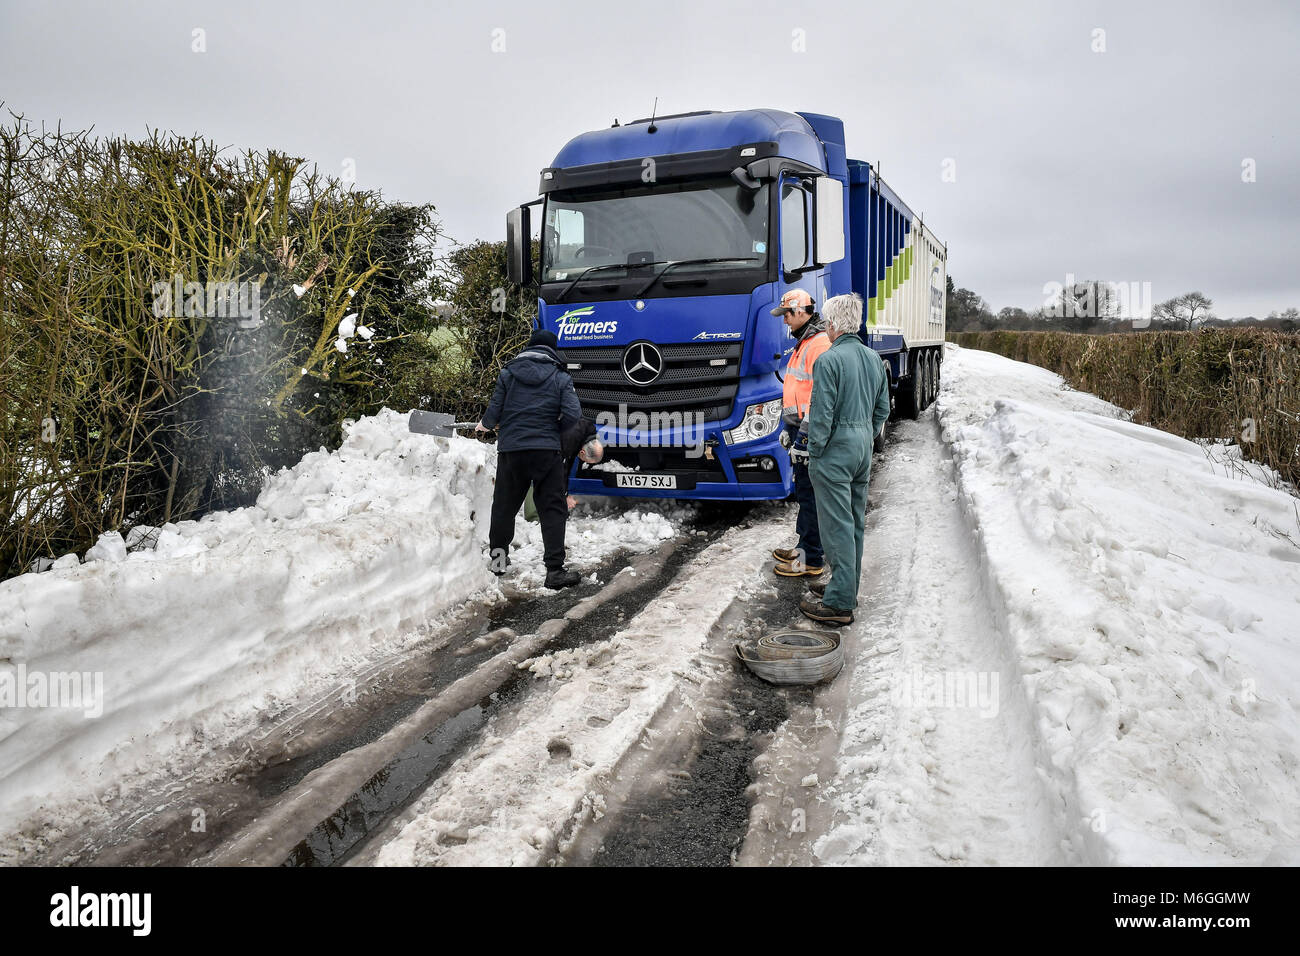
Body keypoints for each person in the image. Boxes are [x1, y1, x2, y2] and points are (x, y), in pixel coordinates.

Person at [800, 293, 891, 626]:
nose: (825, 328)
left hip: (835, 451)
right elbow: (883, 408)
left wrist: (814, 451)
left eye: (826, 323)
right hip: (862, 446)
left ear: (833, 324)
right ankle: (845, 587)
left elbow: (821, 414)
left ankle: (839, 604)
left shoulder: (829, 360)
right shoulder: (871, 357)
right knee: (853, 523)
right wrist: (865, 434)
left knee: (835, 526)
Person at [478, 328, 584, 589]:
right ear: (551, 350)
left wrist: (485, 425)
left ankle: (499, 562)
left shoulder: (508, 373)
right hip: (546, 453)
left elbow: (493, 413)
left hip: (512, 451)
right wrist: (552, 430)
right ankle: (555, 572)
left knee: (504, 507)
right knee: (552, 509)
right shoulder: (560, 376)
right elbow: (573, 414)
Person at [769, 288, 831, 579]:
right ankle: (804, 545)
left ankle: (812, 557)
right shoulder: (803, 342)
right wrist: (786, 427)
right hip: (798, 429)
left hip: (809, 431)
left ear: (800, 312)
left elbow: (819, 396)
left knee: (809, 493)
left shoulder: (817, 344)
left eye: (786, 315)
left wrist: (804, 437)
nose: (784, 321)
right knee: (803, 491)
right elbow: (794, 390)